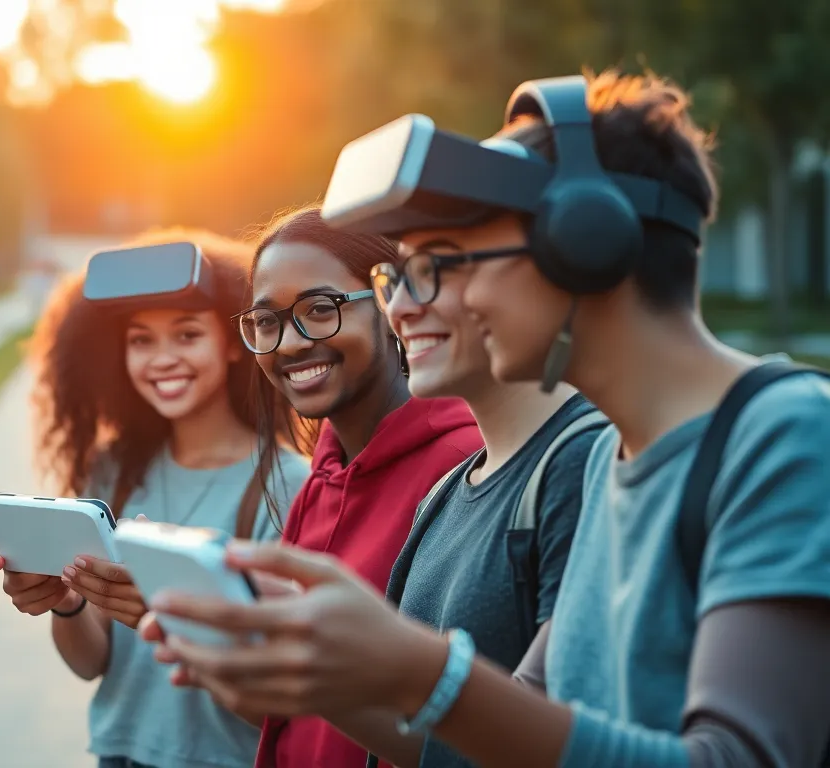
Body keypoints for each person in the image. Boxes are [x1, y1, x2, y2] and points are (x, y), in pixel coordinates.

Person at [139, 71, 830, 768]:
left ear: (583, 247)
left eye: (446, 264)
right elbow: (499, 743)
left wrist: (422, 670)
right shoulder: (607, 462)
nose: (411, 308)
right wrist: (319, 671)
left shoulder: (784, 436)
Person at [0, 228, 312, 768]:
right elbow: (93, 664)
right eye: (141, 340)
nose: (162, 359)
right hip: (118, 754)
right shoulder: (112, 473)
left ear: (234, 342)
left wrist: (168, 619)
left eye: (187, 336)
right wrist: (65, 602)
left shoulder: (287, 486)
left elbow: (282, 707)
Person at [228, 206, 483, 768]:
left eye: (320, 310)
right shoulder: (322, 477)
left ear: (391, 303)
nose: (288, 344)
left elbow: (467, 730)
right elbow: (296, 717)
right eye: (266, 321)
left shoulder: (464, 468)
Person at [354, 220, 606, 768]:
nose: (398, 308)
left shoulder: (584, 464)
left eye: (430, 272)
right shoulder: (445, 492)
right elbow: (427, 744)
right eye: (393, 279)